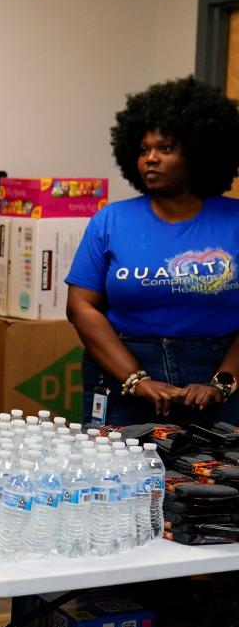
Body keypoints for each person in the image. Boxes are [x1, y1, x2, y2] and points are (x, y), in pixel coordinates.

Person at [66, 76, 239, 426]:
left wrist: (222, 382)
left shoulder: (234, 220)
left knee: (217, 479)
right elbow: (81, 306)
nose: (151, 159)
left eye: (166, 149)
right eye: (144, 150)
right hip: (122, 373)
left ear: (199, 150)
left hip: (217, 379)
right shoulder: (111, 220)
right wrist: (136, 379)